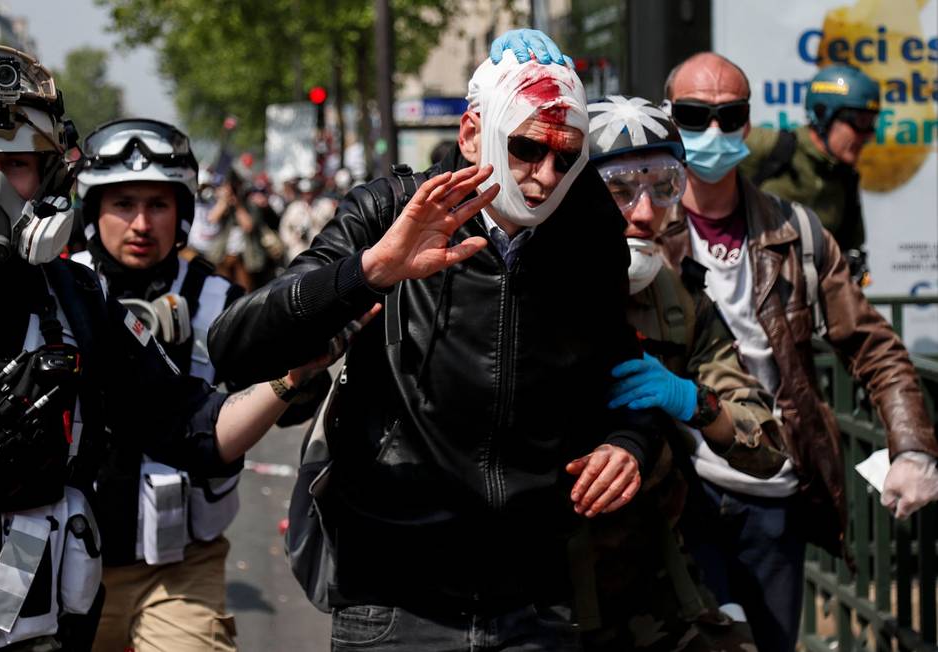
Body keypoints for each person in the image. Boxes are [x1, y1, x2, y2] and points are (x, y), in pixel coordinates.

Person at [0, 45, 331, 651]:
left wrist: (291, 375)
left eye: (17, 165)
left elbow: (191, 428)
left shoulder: (79, 299)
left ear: (48, 176)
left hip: (31, 626)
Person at [207, 47, 669, 650]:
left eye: (567, 155)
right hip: (394, 600)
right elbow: (234, 346)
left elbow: (625, 376)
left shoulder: (589, 240)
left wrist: (629, 441)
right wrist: (369, 270)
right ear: (474, 134)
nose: (547, 175)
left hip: (536, 603)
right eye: (527, 148)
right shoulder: (386, 211)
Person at [657, 51, 938, 652]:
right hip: (677, 493)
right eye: (692, 115)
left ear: (747, 121)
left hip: (773, 494)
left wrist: (911, 446)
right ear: (667, 117)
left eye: (729, 116)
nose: (713, 132)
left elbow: (874, 346)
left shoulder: (799, 232)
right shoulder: (641, 232)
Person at [573, 94, 783, 651]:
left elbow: (766, 446)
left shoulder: (680, 302)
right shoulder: (509, 290)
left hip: (647, 585)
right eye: (618, 190)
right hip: (534, 594)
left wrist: (692, 400)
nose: (644, 212)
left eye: (663, 186)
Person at [72, 118, 242, 652]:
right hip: (63, 564)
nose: (141, 223)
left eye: (158, 205)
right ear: (92, 212)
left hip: (181, 567)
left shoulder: (222, 302)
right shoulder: (51, 294)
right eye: (122, 204)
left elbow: (281, 399)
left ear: (184, 214)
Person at [739, 65, 880, 283]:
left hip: (809, 305)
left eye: (871, 123)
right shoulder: (774, 149)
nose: (867, 135)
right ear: (823, 114)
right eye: (860, 122)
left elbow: (852, 250)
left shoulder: (845, 178)